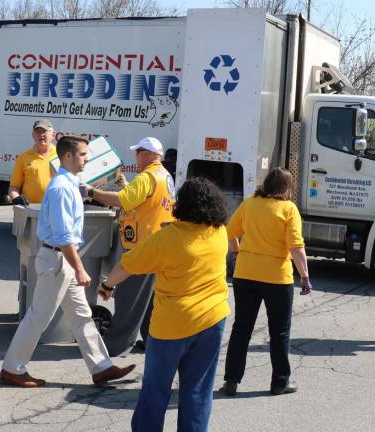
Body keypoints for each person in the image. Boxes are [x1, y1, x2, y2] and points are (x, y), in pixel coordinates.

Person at [0, 135, 135, 388]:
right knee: (38, 317)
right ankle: (12, 368)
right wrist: (80, 268)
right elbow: (63, 236)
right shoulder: (62, 187)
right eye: (83, 155)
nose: (87, 159)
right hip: (57, 260)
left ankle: (101, 367)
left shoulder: (71, 184)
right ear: (68, 156)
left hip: (60, 261)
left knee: (82, 315)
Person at [99, 177, 229, 432]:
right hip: (213, 320)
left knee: (156, 391)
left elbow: (126, 266)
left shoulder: (167, 238)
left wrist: (107, 286)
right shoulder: (220, 232)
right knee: (198, 391)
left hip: (172, 325)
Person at [220, 167, 312, 397]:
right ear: (287, 188)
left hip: (246, 274)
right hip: (277, 278)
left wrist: (238, 252)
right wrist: (305, 276)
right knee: (279, 332)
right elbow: (295, 247)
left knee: (241, 329)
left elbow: (230, 231)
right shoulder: (288, 209)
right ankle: (280, 382)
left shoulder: (250, 203)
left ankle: (231, 380)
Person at [81, 137, 176, 357]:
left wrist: (91, 192)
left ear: (145, 154)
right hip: (159, 245)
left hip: (142, 247)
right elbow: (142, 201)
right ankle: (153, 341)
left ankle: (115, 345)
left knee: (129, 299)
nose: (136, 158)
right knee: (150, 301)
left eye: (137, 153)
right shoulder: (164, 176)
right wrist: (123, 183)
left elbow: (124, 201)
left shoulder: (147, 176)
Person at [8, 119, 57, 205]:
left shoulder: (61, 156)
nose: (41, 135)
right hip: (30, 210)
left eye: (44, 131)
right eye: (37, 132)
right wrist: (16, 198)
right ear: (33, 135)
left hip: (55, 209)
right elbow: (14, 187)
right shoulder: (23, 157)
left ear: (53, 135)